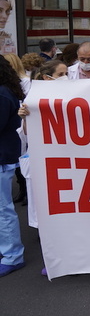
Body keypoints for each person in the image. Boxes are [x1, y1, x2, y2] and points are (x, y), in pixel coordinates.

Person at [0, 56, 25, 277]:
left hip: (2, 158)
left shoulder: (1, 94)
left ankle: (13, 255)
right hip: (4, 156)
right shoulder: (7, 90)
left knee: (2, 209)